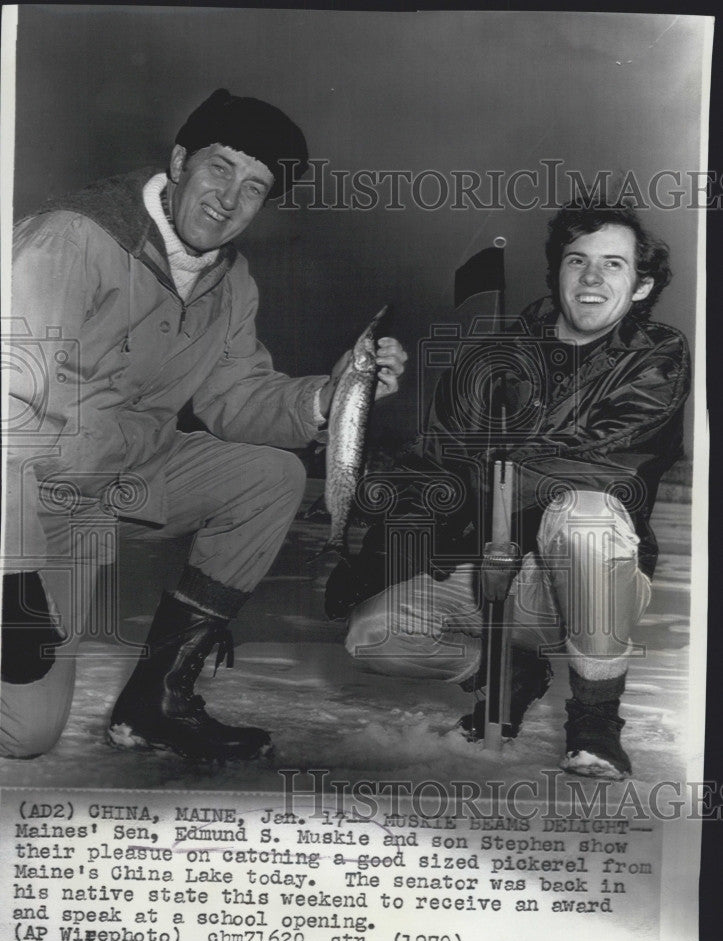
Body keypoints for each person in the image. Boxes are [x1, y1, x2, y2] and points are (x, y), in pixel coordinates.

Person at [2, 88, 407, 762]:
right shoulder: (73, 239)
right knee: (24, 729)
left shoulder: (230, 283)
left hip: (116, 481)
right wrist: (13, 575)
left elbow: (238, 399)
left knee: (269, 476)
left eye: (254, 188)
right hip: (23, 494)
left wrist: (331, 396)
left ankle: (156, 700)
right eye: (221, 168)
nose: (228, 198)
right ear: (181, 159)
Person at [333, 201, 690, 780]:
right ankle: (508, 674)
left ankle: (595, 720)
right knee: (372, 638)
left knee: (586, 517)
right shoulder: (488, 354)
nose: (592, 278)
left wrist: (499, 461)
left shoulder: (656, 356)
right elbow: (436, 467)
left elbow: (606, 465)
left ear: (642, 285)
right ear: (556, 272)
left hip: (583, 583)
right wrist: (375, 550)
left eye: (614, 265)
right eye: (577, 261)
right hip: (489, 571)